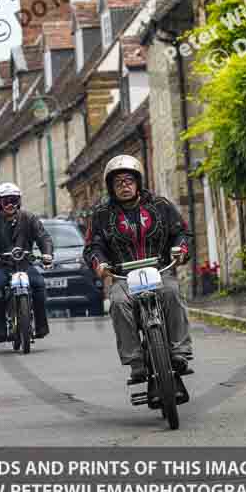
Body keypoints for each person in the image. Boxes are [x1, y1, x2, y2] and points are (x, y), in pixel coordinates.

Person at [83, 155, 193, 381]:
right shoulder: (101, 215)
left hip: (160, 269)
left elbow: (182, 232)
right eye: (118, 182)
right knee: (118, 303)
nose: (124, 186)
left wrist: (180, 250)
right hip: (122, 276)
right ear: (111, 187)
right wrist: (100, 264)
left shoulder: (161, 206)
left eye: (129, 180)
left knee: (172, 293)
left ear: (138, 182)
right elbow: (92, 246)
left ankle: (179, 351)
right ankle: (135, 361)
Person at [0, 182, 53, 342]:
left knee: (39, 284)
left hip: (25, 265)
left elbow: (43, 237)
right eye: (6, 201)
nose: (10, 204)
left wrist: (47, 253)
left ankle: (41, 326)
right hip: (2, 266)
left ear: (19, 201)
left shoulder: (29, 218)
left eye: (14, 200)